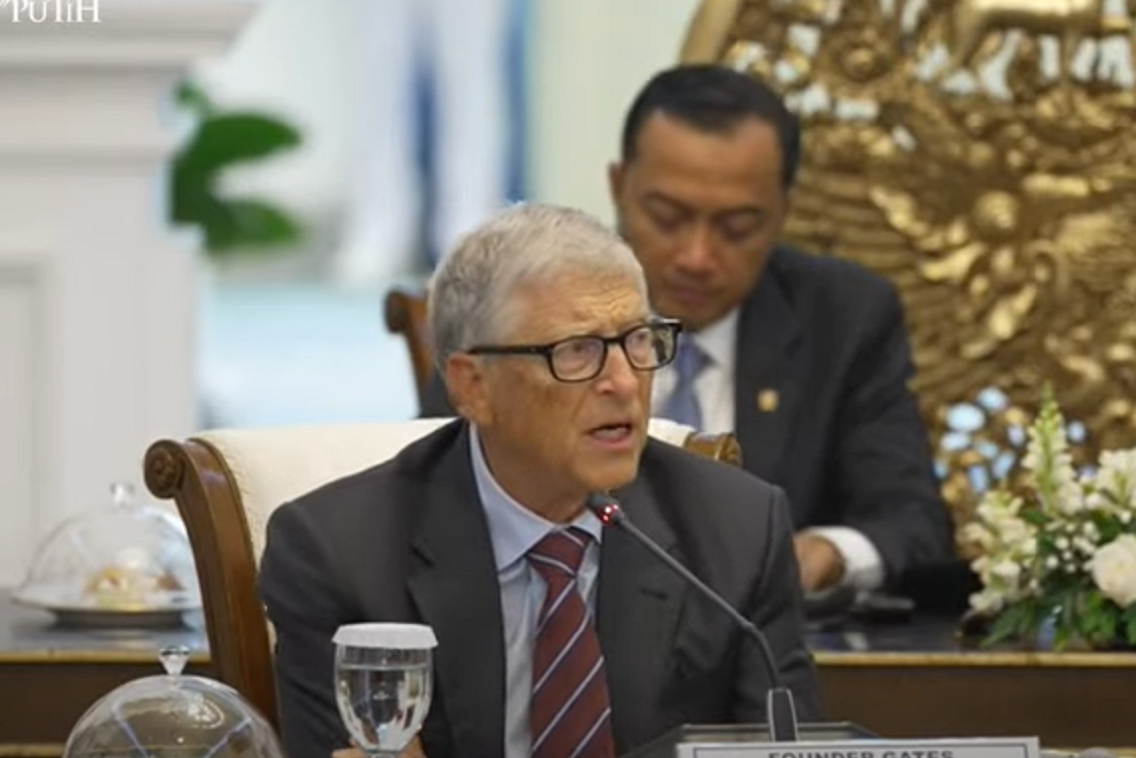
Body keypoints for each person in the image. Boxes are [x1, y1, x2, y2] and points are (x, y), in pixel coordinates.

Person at [261, 203, 823, 758]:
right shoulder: (337, 556)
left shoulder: (738, 533)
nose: (625, 382)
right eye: (577, 351)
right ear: (472, 386)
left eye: (638, 340)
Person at [606, 64, 955, 595]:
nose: (697, 257)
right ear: (619, 187)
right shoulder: (537, 307)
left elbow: (912, 522)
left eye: (736, 228)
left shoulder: (844, 317)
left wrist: (826, 554)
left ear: (781, 213)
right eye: (668, 218)